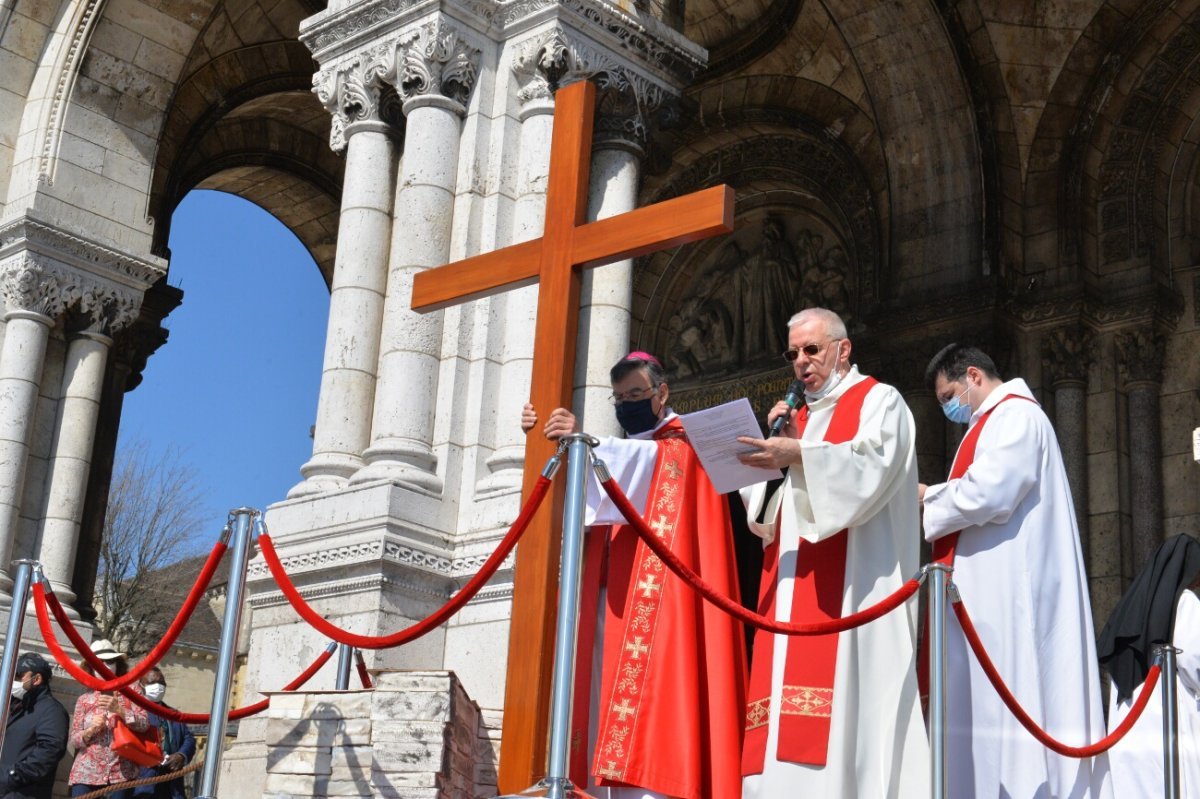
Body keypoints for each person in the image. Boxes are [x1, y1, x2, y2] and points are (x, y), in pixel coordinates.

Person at [521, 351, 746, 799]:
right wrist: (541, 438)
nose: (628, 404)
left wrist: (581, 440)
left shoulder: (684, 444)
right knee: (599, 691)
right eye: (620, 397)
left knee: (661, 700)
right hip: (609, 596)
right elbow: (588, 493)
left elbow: (646, 462)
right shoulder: (627, 450)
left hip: (667, 605)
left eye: (637, 395)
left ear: (662, 394)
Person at [733, 307, 929, 797]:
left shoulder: (880, 401)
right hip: (789, 586)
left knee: (849, 722)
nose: (801, 362)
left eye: (812, 349)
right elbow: (764, 517)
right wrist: (773, 462)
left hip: (855, 593)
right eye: (793, 353)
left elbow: (871, 467)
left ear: (843, 350)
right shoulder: (793, 417)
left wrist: (798, 455)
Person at [919, 343, 1111, 797]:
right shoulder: (993, 421)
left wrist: (928, 496)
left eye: (950, 395)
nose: (951, 407)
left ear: (973, 376)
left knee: (1014, 696)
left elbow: (992, 492)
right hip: (989, 594)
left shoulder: (1016, 417)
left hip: (1012, 594)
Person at [1099, 534, 1200, 798]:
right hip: (1168, 718)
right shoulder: (1185, 601)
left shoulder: (1130, 608)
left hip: (1130, 722)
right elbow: (1195, 662)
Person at [67, 640, 149, 799]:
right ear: (91, 667)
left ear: (118, 664)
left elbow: (144, 724)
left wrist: (121, 711)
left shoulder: (132, 692)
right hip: (87, 773)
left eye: (110, 661)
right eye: (99, 662)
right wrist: (90, 730)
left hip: (122, 772)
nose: (105, 665)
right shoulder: (85, 699)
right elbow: (75, 740)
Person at [0, 652, 68, 799]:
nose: (13, 680)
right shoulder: (12, 706)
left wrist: (11, 776)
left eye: (19, 676)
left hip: (23, 793)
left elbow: (49, 752)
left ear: (36, 679)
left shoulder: (52, 711)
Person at [132, 669, 195, 799]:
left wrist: (181, 755)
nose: (158, 686)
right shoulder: (134, 712)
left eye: (161, 683)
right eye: (152, 682)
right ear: (141, 685)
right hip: (144, 784)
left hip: (173, 785)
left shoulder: (174, 714)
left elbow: (189, 739)